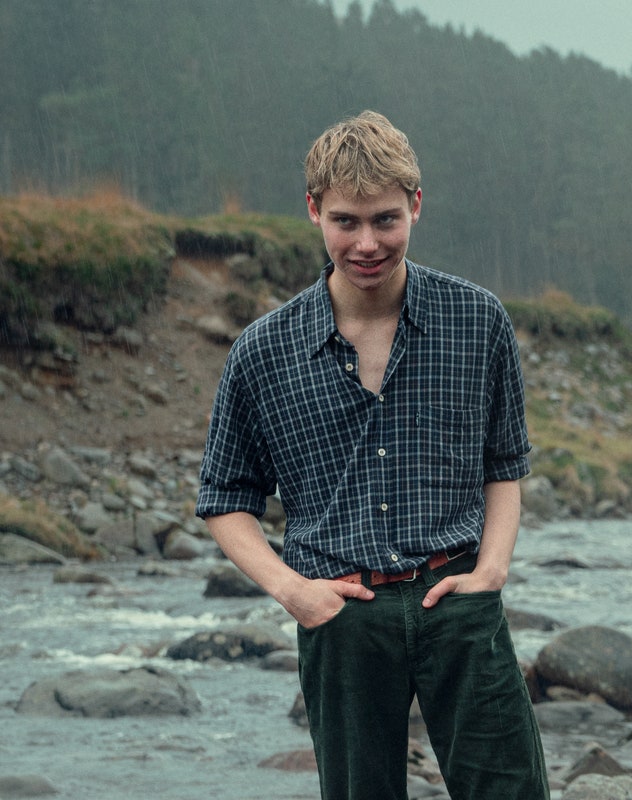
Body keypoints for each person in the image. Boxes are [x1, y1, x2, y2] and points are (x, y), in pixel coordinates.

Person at [195, 110, 548, 800]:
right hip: (341, 616)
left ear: (416, 205)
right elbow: (225, 501)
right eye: (346, 222)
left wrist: (493, 571)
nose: (366, 243)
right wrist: (293, 592)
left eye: (385, 219)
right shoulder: (263, 352)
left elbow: (503, 464)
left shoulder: (478, 321)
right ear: (314, 212)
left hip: (458, 600)